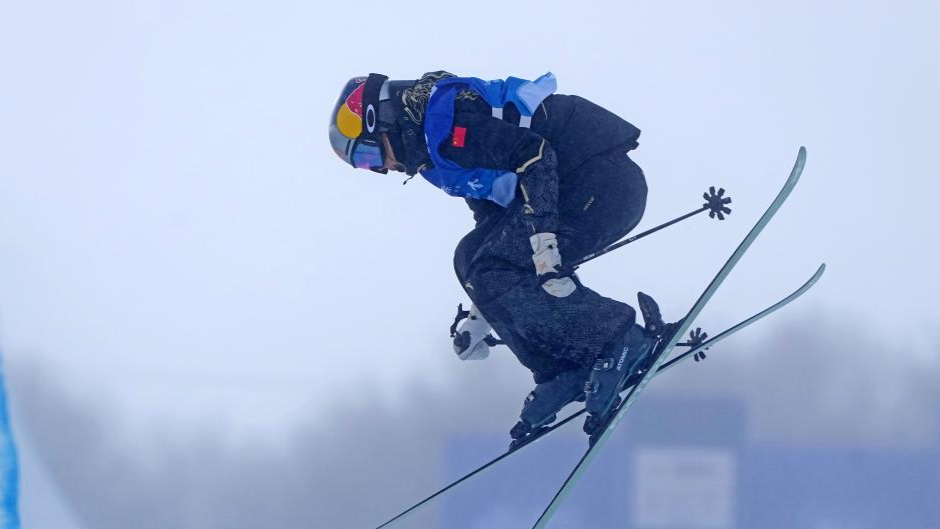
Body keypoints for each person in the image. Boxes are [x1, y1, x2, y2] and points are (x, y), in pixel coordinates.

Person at [328, 71, 673, 445]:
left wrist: (543, 242)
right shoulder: (435, 148)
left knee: (490, 266)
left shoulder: (452, 125)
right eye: (366, 167)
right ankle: (561, 369)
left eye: (369, 156)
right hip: (575, 193)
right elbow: (493, 226)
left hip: (603, 189)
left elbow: (536, 156)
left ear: (384, 124)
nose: (382, 169)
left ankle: (620, 338)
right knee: (470, 258)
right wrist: (484, 312)